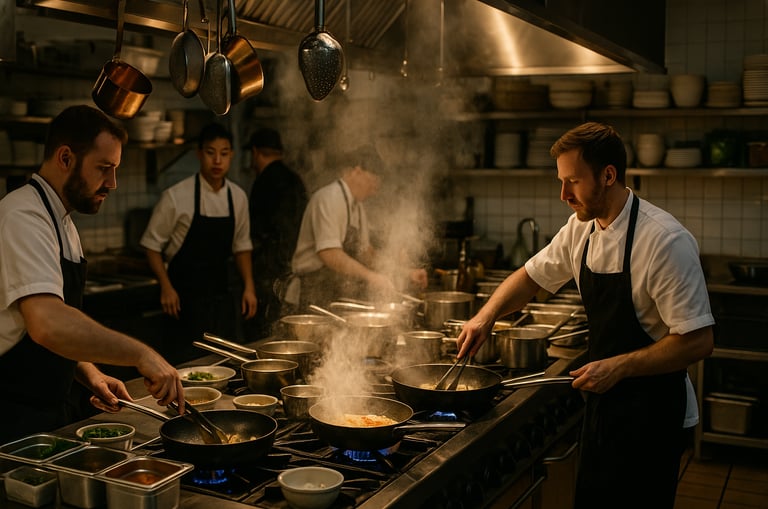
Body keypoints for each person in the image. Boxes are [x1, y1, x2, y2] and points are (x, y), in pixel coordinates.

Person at [457, 122, 714, 509]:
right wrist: (486, 316)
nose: (563, 195)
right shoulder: (581, 230)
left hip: (653, 415)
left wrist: (619, 367)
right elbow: (530, 277)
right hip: (604, 407)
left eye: (573, 182)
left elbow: (698, 341)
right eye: (561, 182)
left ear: (608, 175)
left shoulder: (664, 242)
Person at [0, 105, 184, 444]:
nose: (112, 183)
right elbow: (47, 323)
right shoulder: (22, 216)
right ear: (65, 158)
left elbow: (42, 332)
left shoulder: (63, 222)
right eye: (104, 168)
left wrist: (87, 371)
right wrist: (142, 355)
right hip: (12, 418)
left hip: (47, 412)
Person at [141, 123, 257, 363]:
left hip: (221, 301)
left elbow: (242, 247)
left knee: (226, 364)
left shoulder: (238, 197)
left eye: (224, 153)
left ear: (232, 155)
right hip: (184, 302)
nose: (217, 161)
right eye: (211, 152)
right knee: (187, 366)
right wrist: (166, 287)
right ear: (199, 154)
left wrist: (249, 286)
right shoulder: (176, 196)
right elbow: (151, 246)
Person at [287, 144, 427, 310]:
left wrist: (406, 273)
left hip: (334, 291)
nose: (374, 191)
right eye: (373, 182)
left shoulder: (357, 207)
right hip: (312, 290)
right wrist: (371, 277)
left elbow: (366, 253)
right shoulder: (329, 198)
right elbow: (329, 254)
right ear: (357, 171)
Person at [245, 127, 307, 338]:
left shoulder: (263, 183)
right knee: (283, 332)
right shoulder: (296, 180)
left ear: (255, 152)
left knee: (261, 333)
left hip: (265, 274)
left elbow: (253, 232)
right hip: (291, 270)